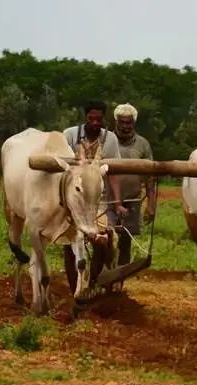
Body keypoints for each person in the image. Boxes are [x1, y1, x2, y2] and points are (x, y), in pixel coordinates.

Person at [61, 100, 126, 291]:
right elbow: (62, 173)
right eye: (91, 118)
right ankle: (75, 289)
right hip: (75, 200)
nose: (95, 123)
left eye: (99, 119)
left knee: (101, 242)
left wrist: (118, 203)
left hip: (100, 200)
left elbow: (113, 172)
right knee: (70, 244)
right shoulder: (69, 135)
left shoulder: (111, 139)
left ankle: (92, 281)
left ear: (103, 119)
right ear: (85, 118)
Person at [107, 103, 157, 279]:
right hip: (107, 200)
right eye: (122, 122)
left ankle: (120, 277)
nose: (126, 126)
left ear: (134, 123)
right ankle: (105, 273)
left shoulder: (143, 144)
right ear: (116, 122)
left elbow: (151, 176)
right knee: (106, 238)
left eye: (129, 123)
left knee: (126, 240)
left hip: (133, 200)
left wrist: (151, 205)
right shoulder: (106, 141)